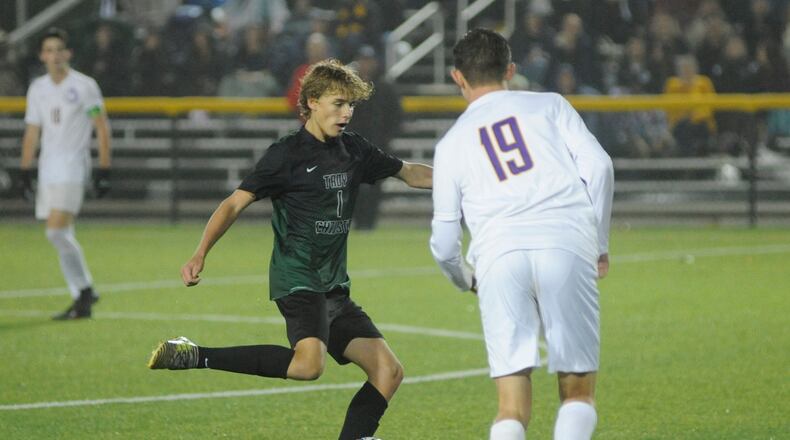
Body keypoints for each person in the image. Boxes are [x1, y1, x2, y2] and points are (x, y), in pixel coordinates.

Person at [147, 59, 432, 440]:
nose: (346, 113)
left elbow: (409, 171)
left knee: (388, 372)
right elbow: (234, 203)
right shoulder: (287, 154)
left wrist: (465, 181)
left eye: (351, 105)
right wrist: (200, 252)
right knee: (307, 365)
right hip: (298, 277)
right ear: (312, 102)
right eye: (338, 103)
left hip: (333, 285)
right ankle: (196, 355)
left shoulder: (355, 150)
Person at [429, 29, 613, 440]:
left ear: (458, 77)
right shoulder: (549, 106)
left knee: (510, 406)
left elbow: (443, 242)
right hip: (565, 242)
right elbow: (599, 168)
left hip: (497, 255)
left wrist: (466, 279)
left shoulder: (451, 144)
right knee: (577, 393)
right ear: (510, 70)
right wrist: (598, 246)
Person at [17, 28, 112, 320]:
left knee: (56, 231)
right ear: (42, 55)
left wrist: (104, 167)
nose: (55, 55)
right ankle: (82, 296)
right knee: (61, 234)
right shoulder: (38, 88)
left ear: (68, 53)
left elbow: (101, 126)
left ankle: (84, 289)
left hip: (73, 166)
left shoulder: (84, 86)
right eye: (49, 50)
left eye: (60, 49)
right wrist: (25, 169)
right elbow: (33, 131)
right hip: (48, 169)